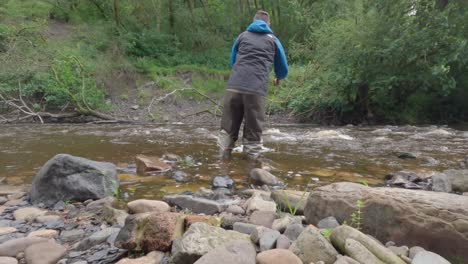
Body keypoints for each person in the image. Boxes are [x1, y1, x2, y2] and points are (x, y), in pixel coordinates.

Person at [218, 10, 288, 160]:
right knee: (253, 130)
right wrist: (278, 77)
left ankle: (223, 162)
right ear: (268, 23)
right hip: (255, 91)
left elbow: (232, 62)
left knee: (228, 128)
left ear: (253, 22)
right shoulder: (273, 40)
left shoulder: (242, 36)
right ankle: (251, 168)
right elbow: (282, 69)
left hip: (234, 87)